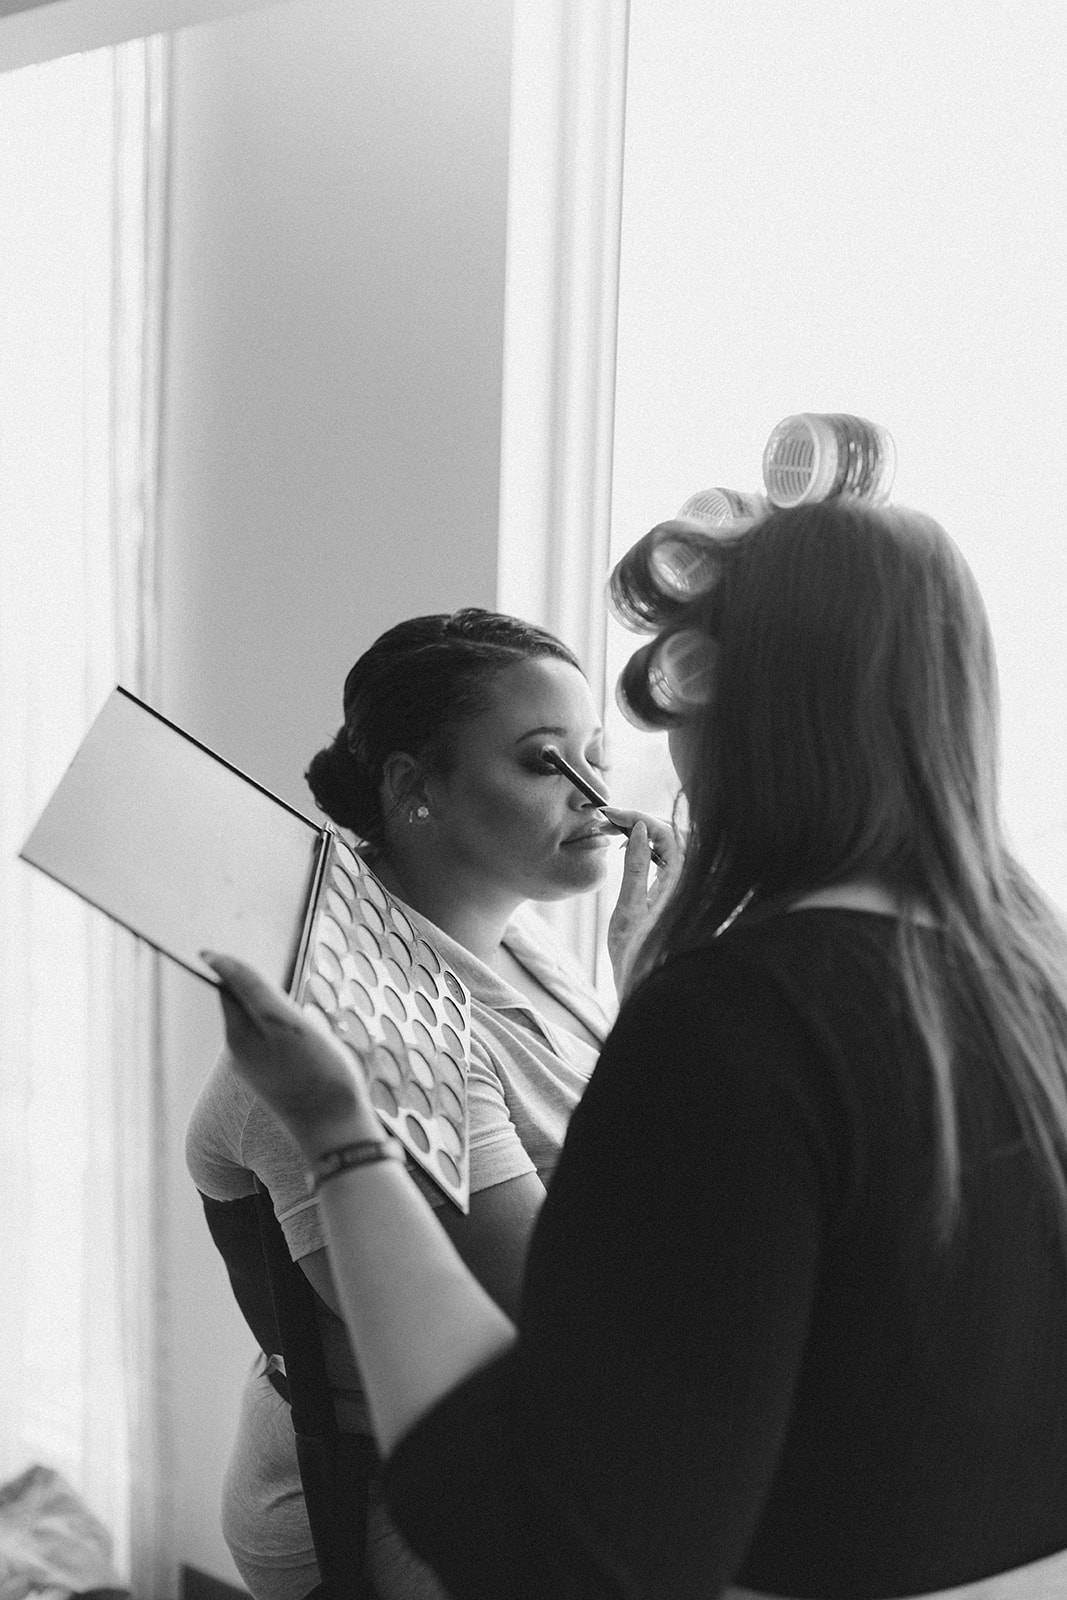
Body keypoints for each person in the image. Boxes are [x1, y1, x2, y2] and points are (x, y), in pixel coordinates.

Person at [202, 500, 1067, 1599]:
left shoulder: (724, 1010)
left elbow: (569, 1527)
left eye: (618, 745)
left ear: (745, 711)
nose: (608, 794)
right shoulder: (1028, 966)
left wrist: (346, 1141)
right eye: (541, 762)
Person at [186, 608, 675, 1600]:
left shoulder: (527, 950)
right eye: (545, 763)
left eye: (595, 756)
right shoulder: (372, 1021)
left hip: (522, 1434)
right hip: (382, 1500)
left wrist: (647, 986)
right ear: (414, 789)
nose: (594, 794)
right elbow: (558, 1320)